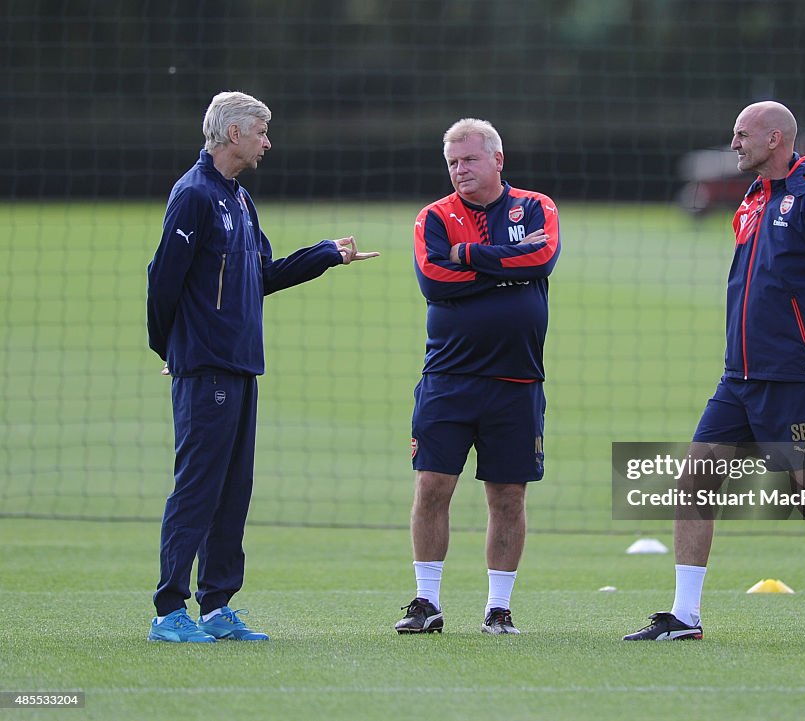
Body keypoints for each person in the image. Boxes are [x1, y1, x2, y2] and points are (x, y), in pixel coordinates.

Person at [623, 101, 805, 643]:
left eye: (742, 135)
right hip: (740, 378)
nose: (734, 144)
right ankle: (685, 616)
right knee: (694, 482)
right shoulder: (750, 200)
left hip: (797, 377)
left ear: (775, 139)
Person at [146, 91, 378, 643]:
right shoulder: (195, 195)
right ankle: (169, 611)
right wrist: (172, 351)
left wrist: (325, 254)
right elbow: (162, 282)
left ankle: (218, 606)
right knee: (198, 488)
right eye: (261, 131)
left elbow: (263, 276)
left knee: (233, 489)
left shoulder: (240, 201)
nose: (268, 142)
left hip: (241, 366)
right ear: (234, 135)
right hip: (206, 367)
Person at [396, 118, 560, 635]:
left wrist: (468, 256)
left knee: (508, 496)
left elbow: (543, 256)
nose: (459, 171)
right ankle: (426, 603)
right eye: (452, 163)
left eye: (468, 160)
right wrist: (508, 266)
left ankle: (498, 608)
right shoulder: (434, 217)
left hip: (517, 381)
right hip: (449, 377)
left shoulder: (537, 207)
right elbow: (434, 280)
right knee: (432, 486)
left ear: (497, 160)